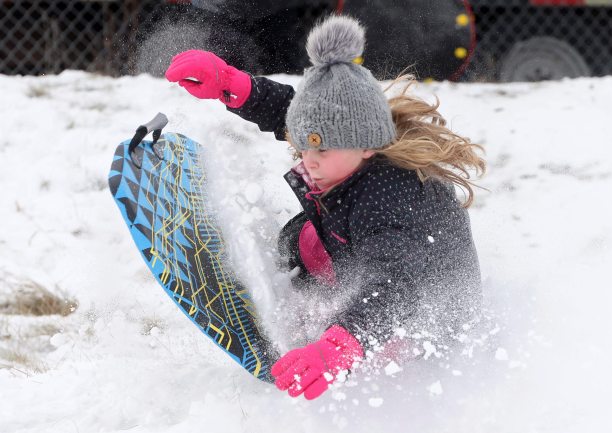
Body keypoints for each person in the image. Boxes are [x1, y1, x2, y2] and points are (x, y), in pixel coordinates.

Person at [165, 15, 485, 400]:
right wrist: (232, 84)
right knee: (301, 239)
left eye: (320, 148)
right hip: (375, 270)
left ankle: (332, 340)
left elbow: (397, 287)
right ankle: (311, 311)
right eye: (303, 144)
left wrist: (336, 348)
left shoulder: (388, 198)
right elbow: (294, 114)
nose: (307, 159)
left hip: (426, 330)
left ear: (367, 145)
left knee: (354, 296)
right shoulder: (350, 149)